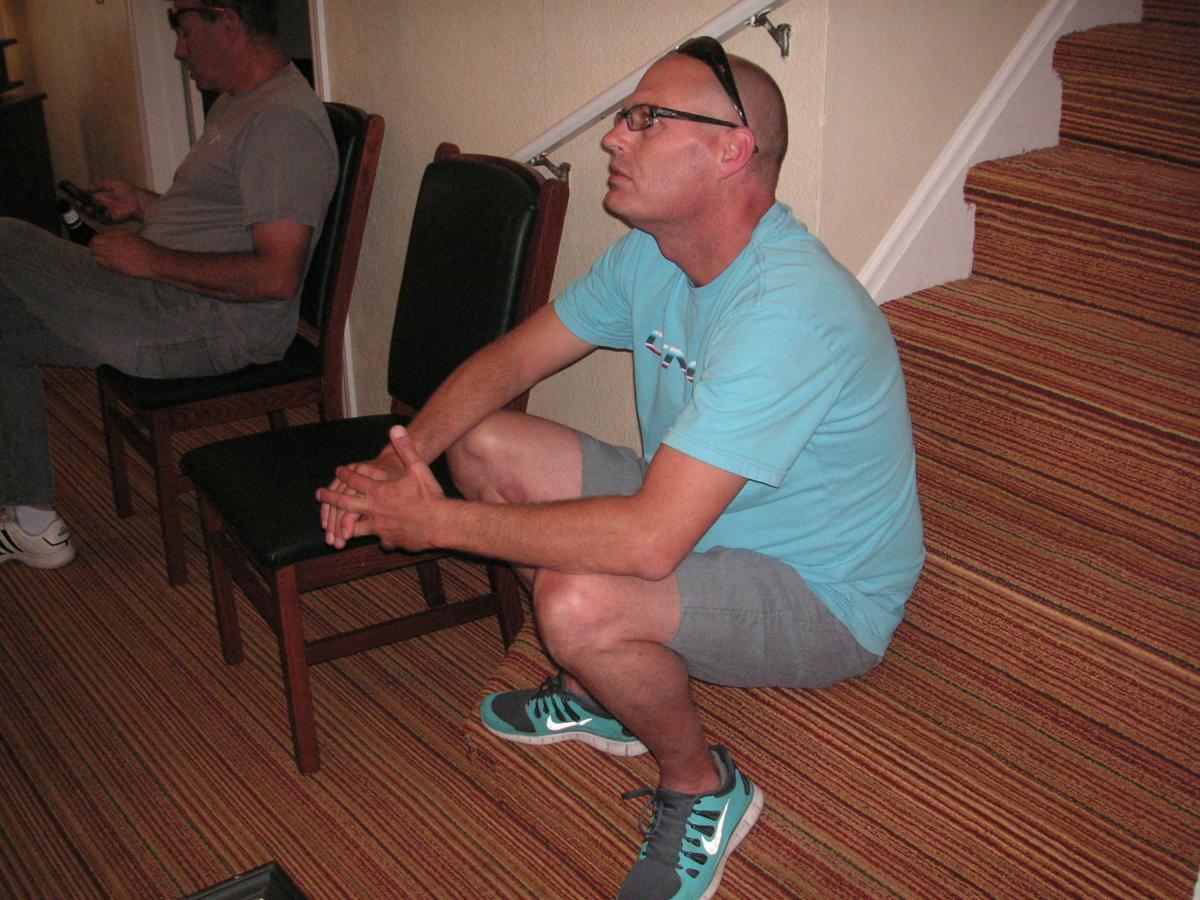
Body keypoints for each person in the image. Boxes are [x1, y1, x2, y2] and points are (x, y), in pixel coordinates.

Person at [319, 37, 924, 899]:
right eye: (623, 117)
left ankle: (702, 785)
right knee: (482, 443)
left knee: (578, 601)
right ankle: (601, 693)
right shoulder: (652, 253)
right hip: (694, 513)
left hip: (823, 592)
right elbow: (512, 361)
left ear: (731, 150)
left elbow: (647, 542)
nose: (613, 136)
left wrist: (436, 523)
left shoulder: (789, 311)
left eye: (646, 120)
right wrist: (397, 463)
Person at [0, 0, 337, 569]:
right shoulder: (237, 101)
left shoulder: (281, 123)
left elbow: (277, 277)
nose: (180, 49)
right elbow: (221, 222)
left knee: (5, 238)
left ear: (228, 23)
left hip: (209, 327)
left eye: (185, 32)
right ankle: (32, 523)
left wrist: (151, 260)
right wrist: (144, 205)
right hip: (166, 303)